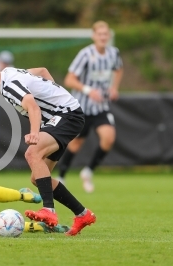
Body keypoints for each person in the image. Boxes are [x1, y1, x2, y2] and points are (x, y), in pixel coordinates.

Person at [0, 54, 96, 236]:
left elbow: (32, 106)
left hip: (67, 115)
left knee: (32, 153)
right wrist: (54, 92)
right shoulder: (9, 73)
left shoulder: (9, 85)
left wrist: (34, 132)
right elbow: (42, 71)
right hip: (63, 117)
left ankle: (49, 210)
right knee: (38, 178)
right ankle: (82, 214)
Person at [57, 21, 123, 193]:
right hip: (82, 108)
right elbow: (69, 79)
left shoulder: (113, 53)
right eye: (99, 34)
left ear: (108, 36)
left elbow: (119, 69)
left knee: (109, 138)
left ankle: (88, 171)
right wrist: (88, 90)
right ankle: (61, 177)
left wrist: (114, 87)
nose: (102, 37)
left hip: (101, 107)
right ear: (94, 36)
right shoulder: (85, 54)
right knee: (75, 144)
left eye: (105, 34)